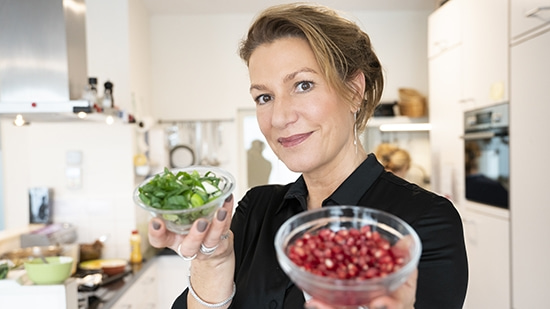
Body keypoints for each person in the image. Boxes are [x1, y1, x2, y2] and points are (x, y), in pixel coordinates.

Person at [148, 3, 468, 309]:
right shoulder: (256, 210)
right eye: (264, 97)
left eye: (303, 85)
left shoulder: (423, 221)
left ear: (354, 91)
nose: (279, 117)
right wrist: (212, 265)